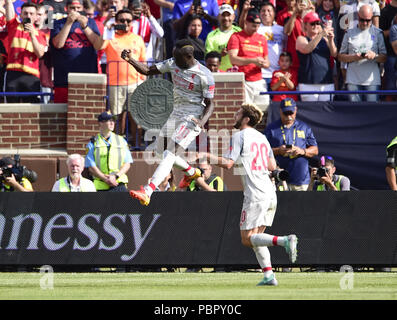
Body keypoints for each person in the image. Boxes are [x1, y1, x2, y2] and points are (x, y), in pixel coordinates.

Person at [198, 103, 298, 286]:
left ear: (245, 119)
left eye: (237, 113)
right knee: (257, 237)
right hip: (269, 192)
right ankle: (269, 276)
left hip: (255, 193)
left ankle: (284, 240)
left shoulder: (239, 136)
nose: (234, 116)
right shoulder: (262, 138)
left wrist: (207, 156)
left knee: (247, 239)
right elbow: (272, 167)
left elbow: (228, 164)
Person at [121, 38, 215, 206]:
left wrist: (201, 122)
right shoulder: (173, 62)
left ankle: (148, 191)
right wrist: (130, 60)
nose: (173, 60)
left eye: (177, 57)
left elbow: (210, 104)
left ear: (187, 56)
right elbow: (148, 70)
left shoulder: (204, 75)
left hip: (192, 117)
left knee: (170, 153)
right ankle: (191, 171)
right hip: (176, 113)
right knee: (160, 152)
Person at [97, 8, 146, 116]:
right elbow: (99, 46)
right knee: (116, 116)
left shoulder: (138, 39)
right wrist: (106, 30)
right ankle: (119, 134)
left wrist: (143, 80)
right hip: (115, 84)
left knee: (136, 116)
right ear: (116, 21)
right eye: (122, 20)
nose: (125, 23)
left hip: (136, 83)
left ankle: (134, 134)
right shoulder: (110, 36)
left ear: (132, 22)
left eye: (128, 21)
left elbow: (143, 60)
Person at [50, 0, 101, 103]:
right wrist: (68, 23)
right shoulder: (57, 23)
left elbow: (98, 44)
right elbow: (58, 44)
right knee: (62, 112)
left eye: (78, 8)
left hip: (88, 78)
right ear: (66, 9)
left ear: (82, 9)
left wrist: (85, 27)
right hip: (64, 79)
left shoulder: (91, 22)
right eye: (72, 8)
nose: (76, 11)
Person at [264, 98, 319, 191]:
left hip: (301, 179)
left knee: (302, 205)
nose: (289, 116)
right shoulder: (271, 128)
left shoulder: (304, 127)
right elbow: (262, 151)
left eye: (291, 113)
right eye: (285, 113)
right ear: (280, 111)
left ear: (296, 110)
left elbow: (315, 150)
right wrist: (278, 151)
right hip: (279, 179)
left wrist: (302, 151)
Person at [338, 4, 387, 102]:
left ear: (372, 18)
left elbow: (384, 57)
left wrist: (374, 56)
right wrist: (354, 57)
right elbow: (340, 56)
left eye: (368, 20)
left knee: (372, 110)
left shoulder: (378, 33)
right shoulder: (349, 33)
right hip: (353, 79)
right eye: (362, 20)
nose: (365, 23)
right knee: (355, 111)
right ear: (358, 17)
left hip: (372, 80)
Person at [228, 8, 270, 113]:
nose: (256, 28)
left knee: (263, 110)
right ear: (246, 22)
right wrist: (253, 60)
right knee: (246, 111)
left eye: (258, 25)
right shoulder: (236, 37)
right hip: (244, 81)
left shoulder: (262, 38)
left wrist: (264, 64)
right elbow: (233, 59)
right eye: (253, 25)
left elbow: (267, 62)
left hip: (258, 80)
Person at [4, 0, 47, 103]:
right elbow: (9, 4)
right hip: (13, 74)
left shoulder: (40, 35)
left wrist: (32, 34)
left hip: (31, 76)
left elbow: (40, 54)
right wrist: (9, 2)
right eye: (25, 13)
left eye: (31, 13)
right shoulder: (14, 26)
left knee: (32, 111)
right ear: (21, 15)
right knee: (10, 109)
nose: (28, 16)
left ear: (36, 17)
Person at [240, 1, 286, 89]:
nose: (266, 13)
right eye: (263, 11)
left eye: (269, 11)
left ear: (274, 13)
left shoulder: (281, 29)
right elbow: (243, 27)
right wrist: (245, 11)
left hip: (277, 72)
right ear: (259, 13)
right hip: (260, 73)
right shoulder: (256, 27)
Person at [85, 111, 133, 191]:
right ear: (100, 123)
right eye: (109, 120)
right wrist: (105, 178)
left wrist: (115, 177)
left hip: (118, 184)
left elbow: (127, 163)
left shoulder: (121, 141)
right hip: (100, 185)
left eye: (113, 120)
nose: (112, 123)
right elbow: (91, 166)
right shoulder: (93, 143)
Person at [296, 11, 337, 101]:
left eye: (317, 23)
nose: (316, 26)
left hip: (326, 82)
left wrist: (330, 40)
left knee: (327, 111)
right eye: (312, 23)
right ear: (306, 25)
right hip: (308, 83)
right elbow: (307, 49)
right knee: (310, 112)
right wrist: (321, 34)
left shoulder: (324, 40)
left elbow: (334, 54)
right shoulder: (301, 39)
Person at [205, 3, 241, 72]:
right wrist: (219, 55)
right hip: (219, 74)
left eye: (228, 15)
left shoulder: (239, 32)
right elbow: (208, 58)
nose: (226, 18)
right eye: (223, 15)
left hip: (236, 72)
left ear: (233, 16)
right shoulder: (211, 35)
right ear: (218, 17)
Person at [128, 0, 164, 64]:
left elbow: (160, 34)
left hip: (145, 60)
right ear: (130, 7)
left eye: (140, 4)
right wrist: (130, 17)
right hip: (130, 59)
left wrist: (150, 16)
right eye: (135, 4)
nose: (137, 8)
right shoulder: (126, 21)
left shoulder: (148, 20)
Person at [380, 0, 397, 101]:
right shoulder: (385, 11)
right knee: (390, 89)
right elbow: (380, 33)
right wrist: (393, 30)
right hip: (391, 55)